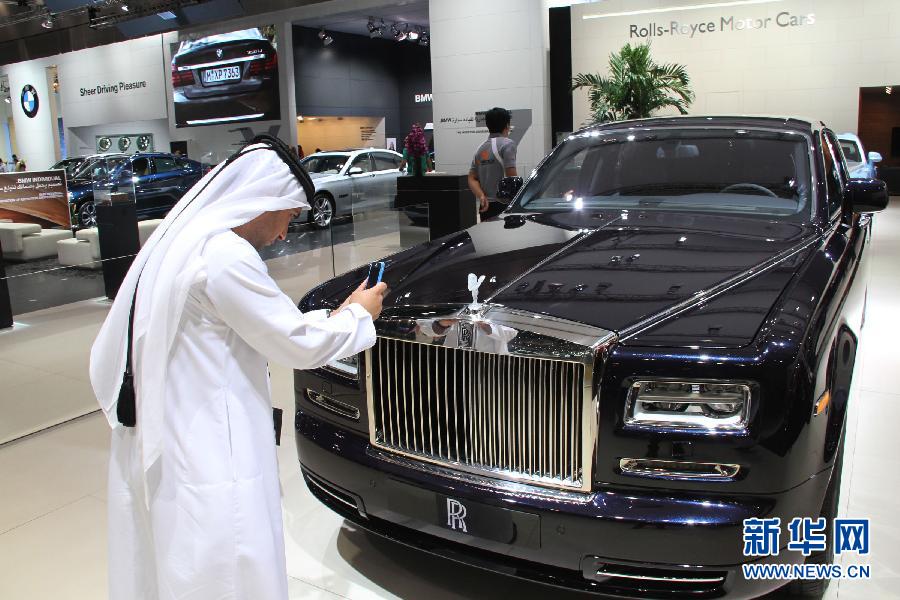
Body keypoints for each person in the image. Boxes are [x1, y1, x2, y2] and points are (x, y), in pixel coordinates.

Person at [90, 136, 387, 600]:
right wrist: (360, 317)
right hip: (212, 443)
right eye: (289, 215)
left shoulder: (192, 241)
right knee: (228, 558)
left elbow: (259, 325)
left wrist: (336, 315)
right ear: (264, 200)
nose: (285, 233)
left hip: (182, 428)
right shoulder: (225, 256)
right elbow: (294, 344)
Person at [468, 107, 517, 219]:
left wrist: (481, 196)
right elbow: (512, 179)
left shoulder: (480, 149)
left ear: (488, 125)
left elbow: (471, 178)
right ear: (507, 125)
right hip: (504, 205)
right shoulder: (508, 144)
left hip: (485, 206)